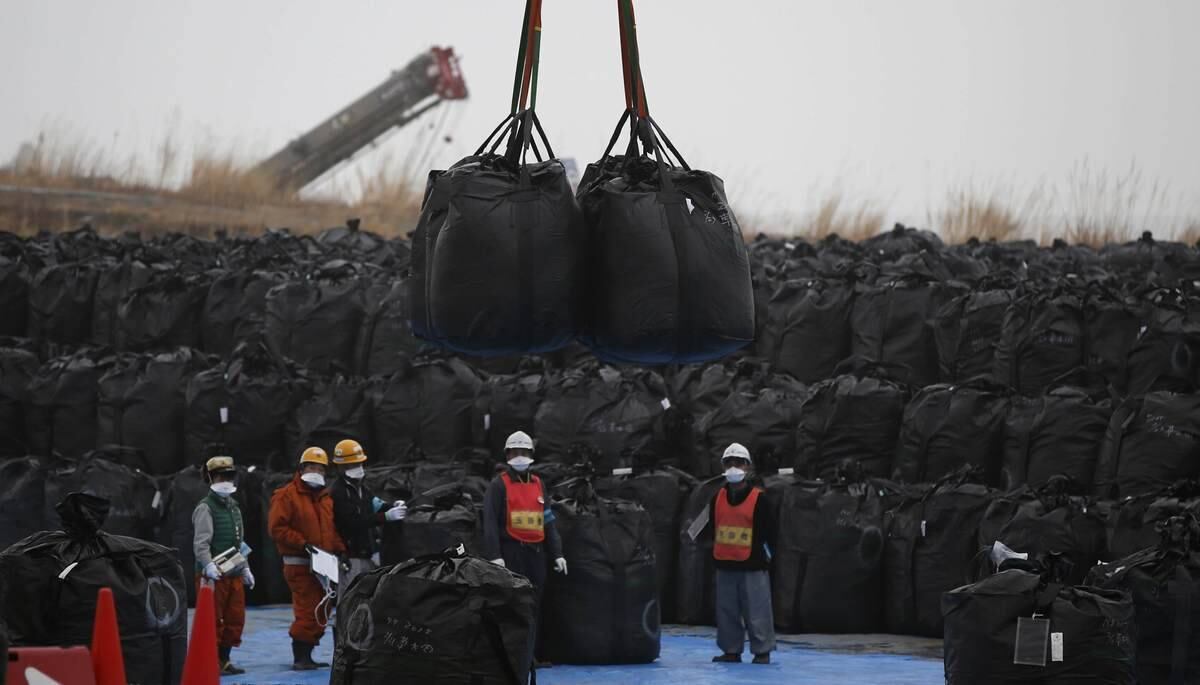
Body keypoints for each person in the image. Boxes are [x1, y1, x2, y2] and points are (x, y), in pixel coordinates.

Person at [481, 431, 567, 665]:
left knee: (534, 605)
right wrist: (495, 556)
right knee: (512, 606)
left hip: (535, 554)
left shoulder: (539, 484)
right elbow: (489, 521)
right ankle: (513, 659)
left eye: (524, 452)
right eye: (515, 452)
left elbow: (548, 522)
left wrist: (557, 553)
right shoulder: (499, 485)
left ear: (531, 455)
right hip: (511, 553)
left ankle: (532, 656)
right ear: (508, 454)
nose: (519, 456)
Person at [268, 446, 346, 671]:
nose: (316, 471)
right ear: (301, 468)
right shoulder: (285, 496)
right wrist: (303, 544)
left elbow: (330, 530)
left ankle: (308, 653)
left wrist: (340, 549)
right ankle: (300, 656)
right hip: (300, 565)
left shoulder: (324, 498)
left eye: (320, 468)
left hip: (324, 565)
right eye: (311, 467)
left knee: (322, 610)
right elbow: (277, 528)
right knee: (307, 610)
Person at [709, 443, 776, 665]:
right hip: (725, 563)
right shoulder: (716, 497)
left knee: (757, 611)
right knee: (726, 612)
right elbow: (710, 527)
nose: (733, 467)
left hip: (752, 565)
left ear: (747, 467)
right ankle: (731, 650)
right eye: (729, 463)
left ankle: (762, 651)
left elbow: (771, 533)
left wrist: (766, 558)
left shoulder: (760, 499)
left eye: (738, 463)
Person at [193, 454, 254, 676]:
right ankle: (210, 661)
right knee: (212, 620)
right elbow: (201, 543)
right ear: (210, 478)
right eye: (220, 476)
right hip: (213, 575)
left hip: (234, 574)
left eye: (229, 476)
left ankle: (224, 660)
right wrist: (207, 566)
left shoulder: (234, 507)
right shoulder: (205, 508)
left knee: (234, 618)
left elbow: (239, 543)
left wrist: (245, 568)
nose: (226, 480)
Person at [330, 438, 407, 589]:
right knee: (350, 599)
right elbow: (353, 522)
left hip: (368, 555)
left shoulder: (362, 489)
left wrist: (392, 506)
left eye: (359, 464)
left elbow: (375, 504)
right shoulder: (338, 492)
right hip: (350, 557)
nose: (357, 467)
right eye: (352, 465)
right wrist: (386, 516)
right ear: (341, 467)